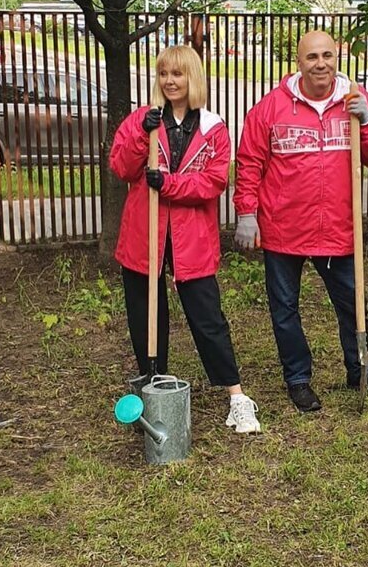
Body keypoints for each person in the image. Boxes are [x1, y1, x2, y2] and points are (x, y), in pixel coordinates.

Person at [233, 30, 368, 412]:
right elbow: (249, 162)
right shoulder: (271, 108)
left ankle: (361, 368)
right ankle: (298, 379)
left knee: (354, 305)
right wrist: (246, 213)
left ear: (336, 57)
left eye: (327, 55)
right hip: (283, 229)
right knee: (284, 309)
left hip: (338, 228)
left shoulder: (355, 99)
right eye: (312, 57)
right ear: (299, 62)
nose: (320, 63)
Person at [109, 45, 261, 434]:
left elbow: (214, 182)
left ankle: (237, 398)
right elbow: (121, 167)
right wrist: (142, 138)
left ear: (192, 78)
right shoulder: (144, 120)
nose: (169, 81)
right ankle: (153, 385)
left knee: (208, 319)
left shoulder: (213, 127)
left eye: (177, 74)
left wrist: (171, 184)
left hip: (191, 239)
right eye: (163, 74)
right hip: (145, 236)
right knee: (145, 318)